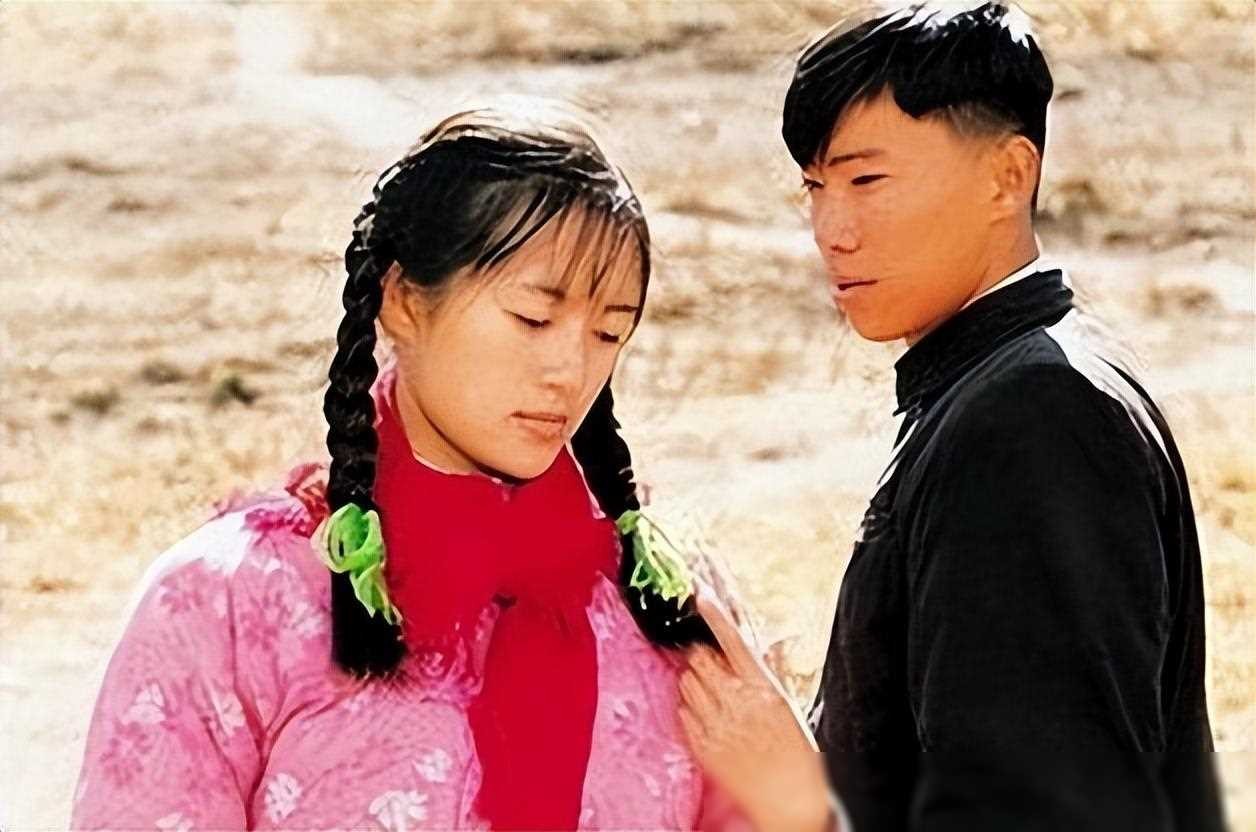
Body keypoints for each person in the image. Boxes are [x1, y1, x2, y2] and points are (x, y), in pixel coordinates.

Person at [70, 104, 759, 830]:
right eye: (532, 318)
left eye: (609, 333)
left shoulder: (663, 595)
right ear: (402, 300)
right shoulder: (234, 598)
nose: (570, 369)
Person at [682, 3, 1228, 830]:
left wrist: (800, 802)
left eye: (867, 181)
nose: (832, 230)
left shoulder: (1034, 414)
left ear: (1007, 177)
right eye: (815, 188)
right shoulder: (1003, 379)